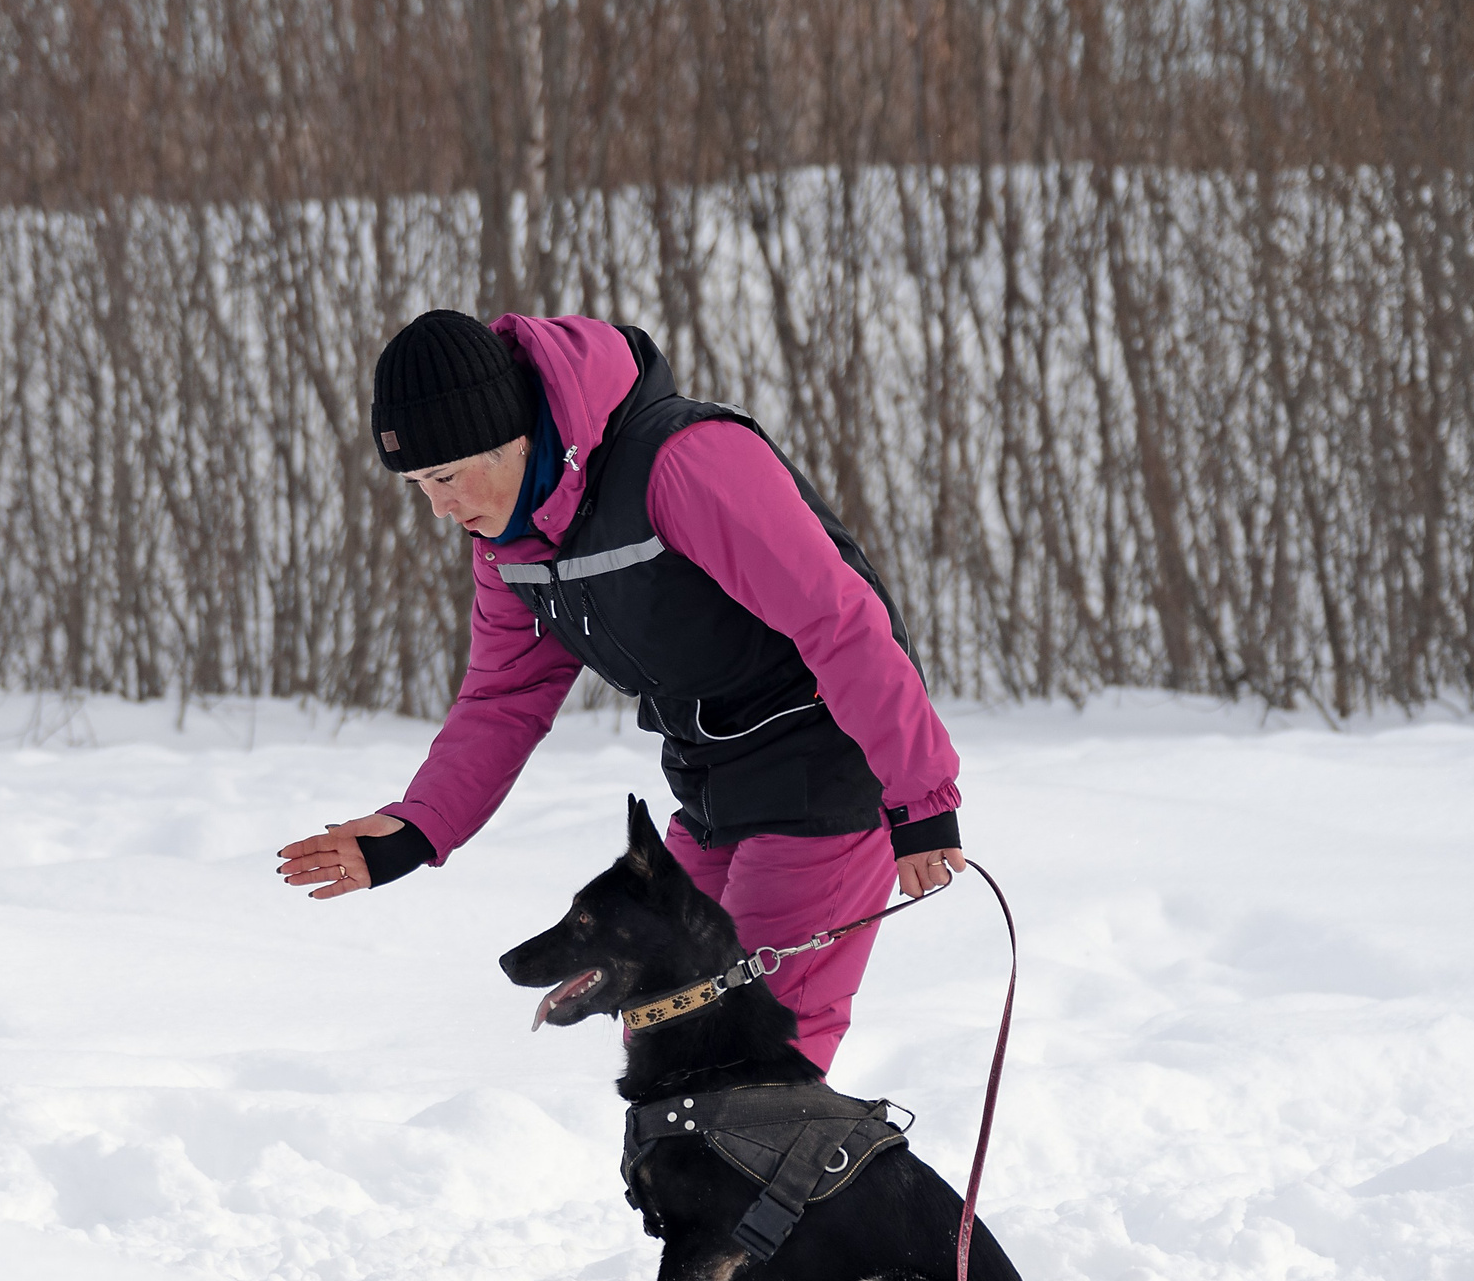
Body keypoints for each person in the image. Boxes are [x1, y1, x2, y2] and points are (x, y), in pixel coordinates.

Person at [275, 309, 965, 1078]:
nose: (438, 506)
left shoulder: (682, 463)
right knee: (665, 1039)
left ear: (512, 438)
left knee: (753, 1064)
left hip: (827, 768)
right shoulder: (512, 542)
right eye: (417, 485)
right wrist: (417, 828)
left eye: (444, 476)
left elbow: (837, 619)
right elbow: (503, 699)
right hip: (710, 784)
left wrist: (921, 795)